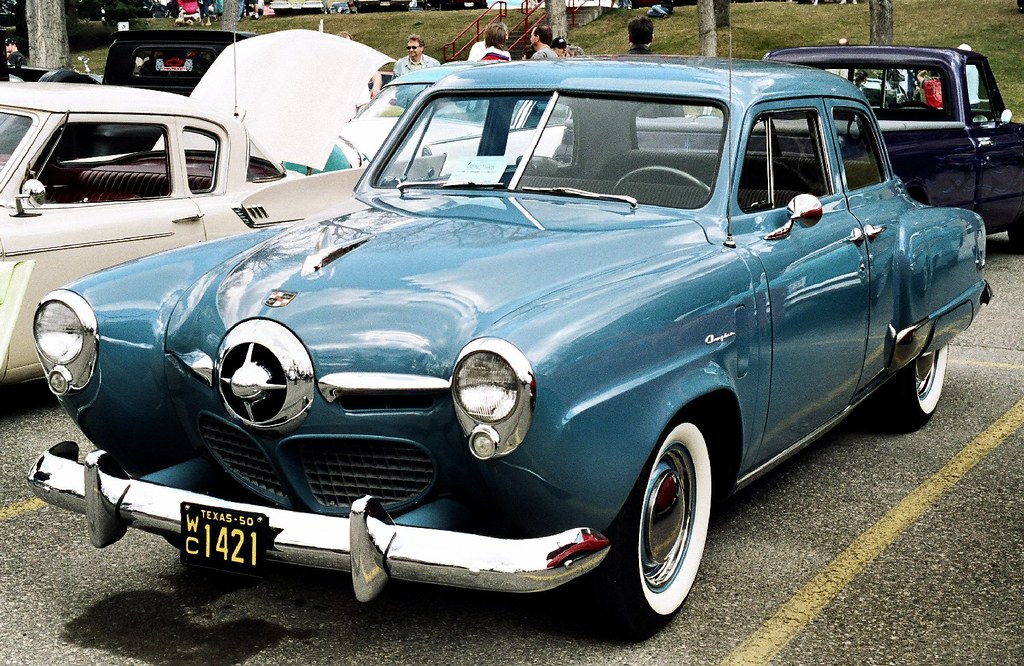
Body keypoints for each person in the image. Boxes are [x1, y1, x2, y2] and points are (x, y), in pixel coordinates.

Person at [339, 31, 383, 103]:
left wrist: (376, 87)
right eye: (345, 44)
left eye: (350, 44)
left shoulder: (359, 63)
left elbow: (376, 74)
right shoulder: (334, 65)